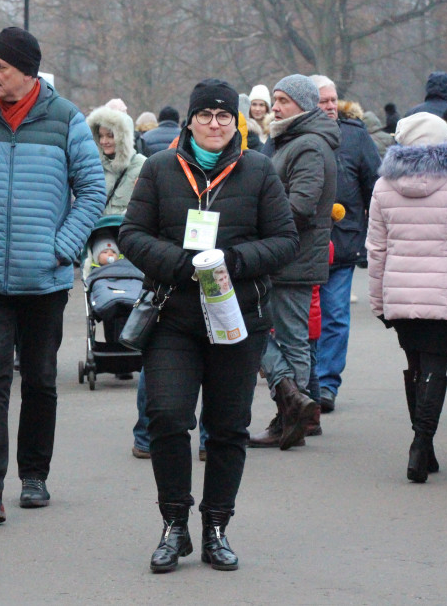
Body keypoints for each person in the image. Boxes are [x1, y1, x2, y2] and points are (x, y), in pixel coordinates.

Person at [119, 78, 299, 573]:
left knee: (227, 429)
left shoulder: (258, 170)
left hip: (237, 320)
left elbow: (285, 240)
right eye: (206, 115)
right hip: (173, 317)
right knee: (168, 419)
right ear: (191, 121)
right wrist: (180, 263)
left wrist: (234, 260)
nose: (215, 124)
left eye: (224, 116)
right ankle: (174, 525)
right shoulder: (160, 168)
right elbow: (132, 234)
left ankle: (216, 526)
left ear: (235, 123)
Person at [0, 27, 105, 524]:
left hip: (44, 278)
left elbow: (92, 188)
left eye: (0, 68)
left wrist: (64, 246)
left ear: (27, 71)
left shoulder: (66, 119)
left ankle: (34, 475)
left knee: (39, 379)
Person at [366, 112, 447, 483]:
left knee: (415, 365)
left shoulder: (385, 185)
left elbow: (376, 249)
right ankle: (421, 444)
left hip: (400, 292)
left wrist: (378, 300)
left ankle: (424, 445)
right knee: (436, 367)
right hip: (444, 291)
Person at [249, 75, 338, 449]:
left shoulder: (309, 146)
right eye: (275, 99)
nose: (276, 107)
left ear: (302, 105)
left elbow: (299, 206)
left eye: (283, 100)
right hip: (284, 256)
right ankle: (295, 408)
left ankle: (293, 413)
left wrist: (255, 218)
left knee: (283, 337)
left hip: (293, 257)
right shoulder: (289, 140)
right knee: (278, 336)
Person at [311, 75, 381, 413]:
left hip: (342, 242)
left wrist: (372, 234)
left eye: (332, 99)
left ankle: (326, 385)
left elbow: (376, 188)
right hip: (299, 246)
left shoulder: (356, 137)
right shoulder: (288, 136)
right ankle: (302, 380)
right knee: (299, 317)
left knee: (335, 315)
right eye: (321, 100)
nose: (328, 106)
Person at [87, 105, 146, 216]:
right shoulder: (93, 167)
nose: (104, 141)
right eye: (100, 136)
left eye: (110, 136)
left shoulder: (143, 166)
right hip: (96, 231)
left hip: (125, 231)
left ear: (124, 138)